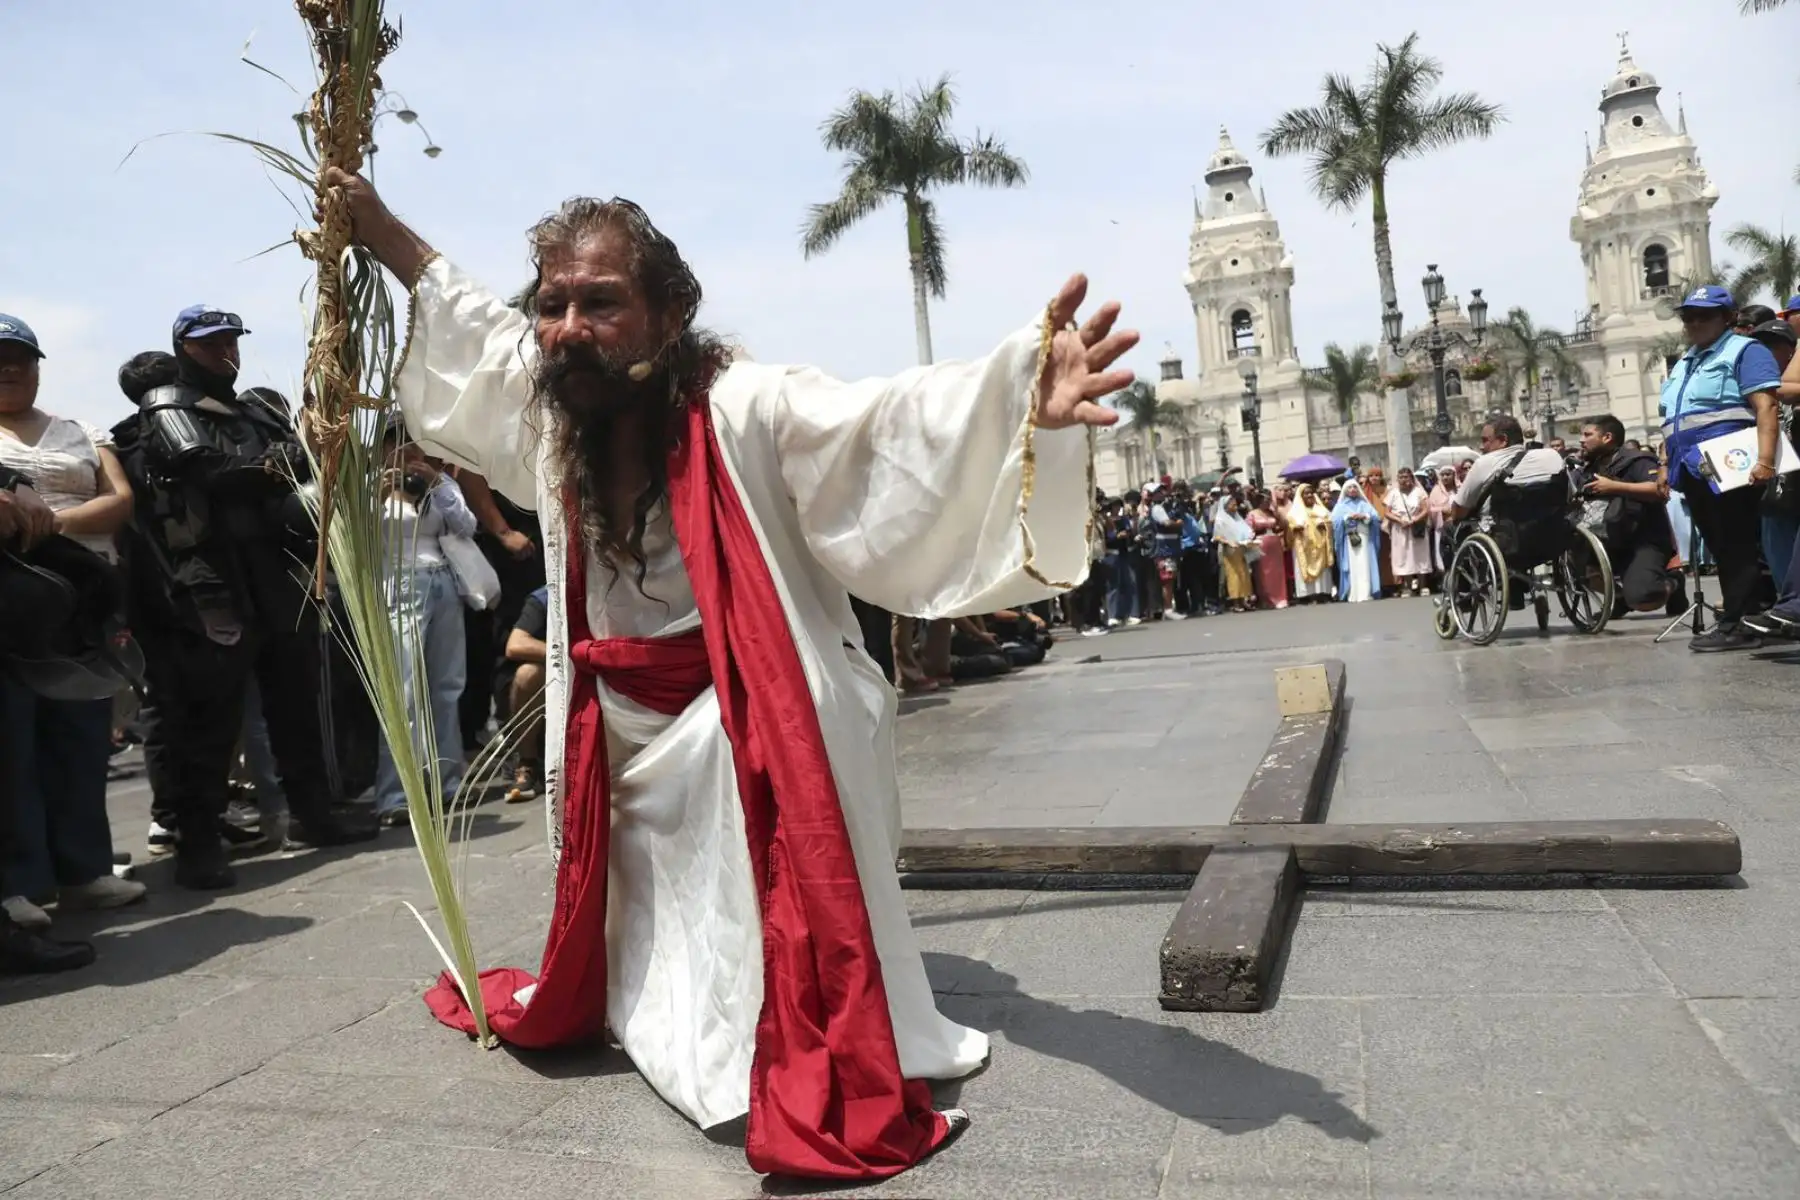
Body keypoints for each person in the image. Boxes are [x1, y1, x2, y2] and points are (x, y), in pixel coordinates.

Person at [331, 167, 1130, 1179]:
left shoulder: (744, 404)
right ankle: (660, 1002)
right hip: (613, 718)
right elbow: (476, 330)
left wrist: (1021, 396)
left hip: (742, 707)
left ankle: (762, 1023)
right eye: (553, 304)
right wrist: (378, 229)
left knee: (760, 909)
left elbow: (883, 424)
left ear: (670, 314)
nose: (569, 328)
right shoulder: (551, 414)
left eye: (602, 303)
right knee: (654, 940)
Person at [113, 309, 378, 890]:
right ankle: (199, 842)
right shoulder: (167, 403)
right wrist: (271, 469)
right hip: (212, 578)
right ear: (184, 346)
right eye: (210, 343)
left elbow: (302, 462)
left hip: (275, 570)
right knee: (208, 719)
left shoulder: (256, 408)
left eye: (231, 340)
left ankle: (314, 814)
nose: (224, 351)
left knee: (296, 704)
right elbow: (198, 468)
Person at [0, 315, 147, 927]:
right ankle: (21, 884)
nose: (10, 369)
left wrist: (53, 524)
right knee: (13, 744)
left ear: (38, 367)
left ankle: (85, 871)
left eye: (21, 358)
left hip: (83, 595)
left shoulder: (79, 429)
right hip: (13, 601)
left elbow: (120, 501)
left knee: (82, 736)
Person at [1658, 286, 1783, 652]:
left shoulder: (1745, 351)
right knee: (1720, 544)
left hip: (1731, 462)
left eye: (1705, 315)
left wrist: (1765, 460)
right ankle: (1750, 614)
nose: (1695, 323)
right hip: (1694, 468)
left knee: (1736, 545)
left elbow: (1766, 407)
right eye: (1689, 317)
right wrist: (1666, 464)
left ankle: (1737, 623)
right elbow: (1674, 417)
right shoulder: (1685, 361)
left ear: (1727, 318)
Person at [371, 426, 479, 828]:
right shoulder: (370, 487)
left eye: (414, 444)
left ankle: (448, 783)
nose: (407, 453)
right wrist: (379, 495)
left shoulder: (440, 483)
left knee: (447, 687)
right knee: (404, 691)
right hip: (399, 582)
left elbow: (466, 526)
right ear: (382, 449)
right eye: (396, 444)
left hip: (443, 584)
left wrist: (437, 483)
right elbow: (359, 537)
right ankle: (396, 793)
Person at [1579, 415, 1678, 615]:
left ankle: (1674, 583)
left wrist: (1614, 487)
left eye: (1588, 434)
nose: (1582, 440)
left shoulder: (1637, 460)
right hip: (1609, 537)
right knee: (1575, 566)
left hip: (1643, 539)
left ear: (1607, 437)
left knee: (1643, 600)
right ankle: (1620, 599)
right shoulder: (1590, 467)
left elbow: (1659, 491)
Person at [1450, 416, 1568, 521]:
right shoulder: (1552, 455)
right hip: (1554, 532)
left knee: (1449, 529)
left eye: (1485, 440)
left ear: (1503, 440)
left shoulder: (1484, 463)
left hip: (1504, 538)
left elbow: (1458, 511)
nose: (1481, 447)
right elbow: (1570, 495)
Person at [497, 585, 549, 802]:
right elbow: (515, 644)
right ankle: (528, 763)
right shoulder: (545, 596)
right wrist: (572, 651)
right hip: (564, 669)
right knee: (528, 675)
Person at [1384, 467, 1432, 595]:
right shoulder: (1393, 493)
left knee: (1420, 556)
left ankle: (1423, 586)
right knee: (1403, 556)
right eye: (1401, 477)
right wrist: (1400, 520)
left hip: (1416, 527)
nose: (1404, 480)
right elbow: (1387, 512)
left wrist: (1414, 520)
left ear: (1411, 478)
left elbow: (1425, 510)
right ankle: (1407, 586)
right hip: (1400, 528)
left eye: (1406, 477)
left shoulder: (1419, 492)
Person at [1332, 481, 1382, 602]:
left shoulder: (1364, 504)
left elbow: (1375, 517)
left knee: (1364, 564)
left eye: (1355, 486)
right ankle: (1353, 593)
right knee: (1353, 565)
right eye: (1349, 487)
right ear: (1345, 490)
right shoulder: (1340, 506)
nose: (1353, 489)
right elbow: (1335, 521)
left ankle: (1366, 593)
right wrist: (1347, 517)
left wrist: (1365, 516)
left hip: (1365, 538)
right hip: (1350, 539)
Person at [1288, 483, 1335, 602]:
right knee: (1303, 566)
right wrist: (1294, 528)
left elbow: (1330, 522)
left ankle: (1322, 593)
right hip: (1303, 545)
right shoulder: (1295, 512)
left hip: (1320, 544)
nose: (1309, 495)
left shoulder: (1320, 509)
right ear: (1300, 495)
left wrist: (1324, 525)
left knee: (1322, 571)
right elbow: (1289, 527)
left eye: (1311, 493)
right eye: (1306, 493)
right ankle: (1307, 595)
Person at [1211, 494, 1256, 611]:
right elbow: (1217, 536)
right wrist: (1228, 542)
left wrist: (1250, 537)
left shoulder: (1237, 518)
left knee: (1244, 574)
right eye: (1232, 504)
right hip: (1229, 551)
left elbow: (1246, 530)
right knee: (1233, 576)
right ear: (1225, 506)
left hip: (1241, 549)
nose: (1235, 506)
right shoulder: (1220, 519)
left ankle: (1244, 599)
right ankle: (1235, 602)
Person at [1246, 490, 1289, 609]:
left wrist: (1277, 512)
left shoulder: (1272, 513)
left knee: (1277, 571)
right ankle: (1266, 599)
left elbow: (1284, 524)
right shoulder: (1252, 514)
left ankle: (1280, 598)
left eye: (1269, 500)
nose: (1267, 502)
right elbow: (1248, 530)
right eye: (1265, 500)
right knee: (1264, 572)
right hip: (1261, 542)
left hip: (1275, 542)